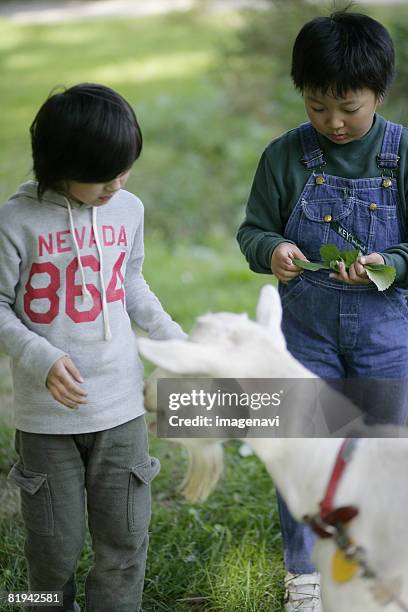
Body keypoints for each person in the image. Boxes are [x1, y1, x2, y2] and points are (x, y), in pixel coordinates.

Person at [237, 9, 408, 611]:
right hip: (305, 331)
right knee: (305, 450)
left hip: (387, 336)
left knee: (386, 450)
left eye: (349, 108)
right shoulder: (284, 158)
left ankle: (381, 566)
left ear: (379, 94)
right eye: (317, 107)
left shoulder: (402, 155)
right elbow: (253, 230)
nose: (333, 122)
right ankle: (304, 576)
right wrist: (273, 249)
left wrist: (387, 262)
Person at [0, 83, 186, 612]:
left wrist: (174, 340)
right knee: (52, 551)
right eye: (102, 176)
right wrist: (40, 356)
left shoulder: (127, 209)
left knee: (124, 541)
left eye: (124, 170)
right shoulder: (14, 223)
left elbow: (129, 283)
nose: (116, 185)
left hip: (121, 409)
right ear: (58, 165)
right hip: (47, 421)